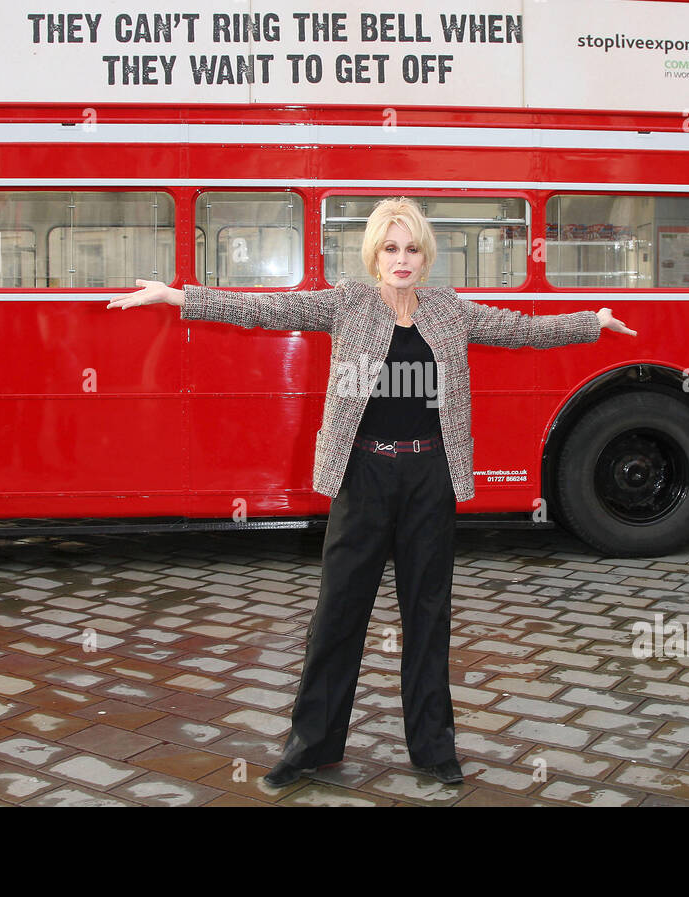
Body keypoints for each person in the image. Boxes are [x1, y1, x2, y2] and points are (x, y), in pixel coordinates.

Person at [106, 197, 637, 787]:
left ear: (425, 255)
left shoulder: (446, 309)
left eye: (411, 249)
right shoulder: (349, 304)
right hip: (363, 478)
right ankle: (312, 746)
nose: (401, 260)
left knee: (428, 617)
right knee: (337, 615)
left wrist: (592, 321)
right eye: (390, 248)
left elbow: (520, 330)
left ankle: (434, 747)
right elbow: (261, 307)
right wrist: (178, 295)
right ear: (374, 254)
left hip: (429, 479)